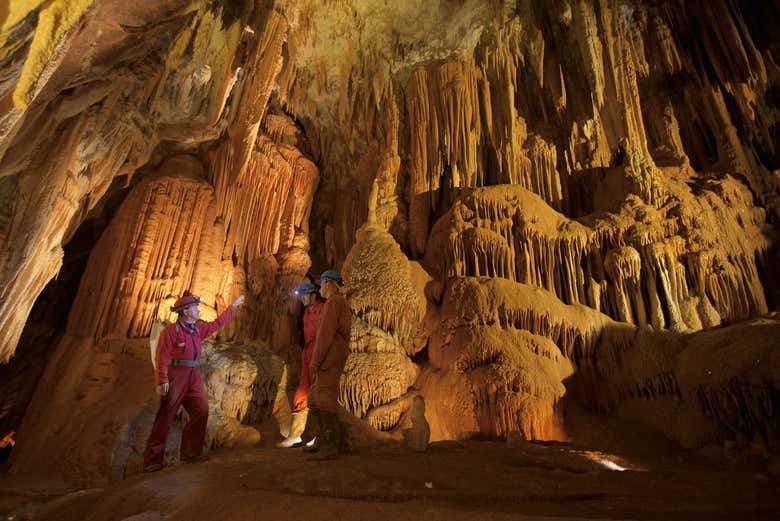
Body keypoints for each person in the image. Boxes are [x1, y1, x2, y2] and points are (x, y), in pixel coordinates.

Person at [143, 291, 245, 472]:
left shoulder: (197, 330)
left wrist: (233, 307)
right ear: (185, 311)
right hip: (176, 374)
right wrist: (162, 380)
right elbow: (162, 356)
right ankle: (153, 460)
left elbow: (217, 324)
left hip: (193, 374)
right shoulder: (171, 332)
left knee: (201, 410)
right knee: (166, 415)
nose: (198, 310)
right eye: (195, 308)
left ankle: (191, 452)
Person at [306, 269, 351, 460]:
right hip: (332, 353)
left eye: (323, 283)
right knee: (315, 399)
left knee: (325, 398)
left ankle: (330, 444)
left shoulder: (334, 302)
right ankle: (321, 439)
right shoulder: (336, 303)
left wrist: (315, 361)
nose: (321, 288)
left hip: (330, 354)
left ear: (330, 283)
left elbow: (325, 334)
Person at [276, 282, 324, 448]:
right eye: (301, 296)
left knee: (319, 395)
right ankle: (295, 434)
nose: (302, 299)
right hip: (308, 353)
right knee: (301, 394)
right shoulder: (306, 313)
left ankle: (321, 436)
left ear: (313, 294)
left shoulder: (322, 310)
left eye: (304, 295)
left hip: (319, 353)